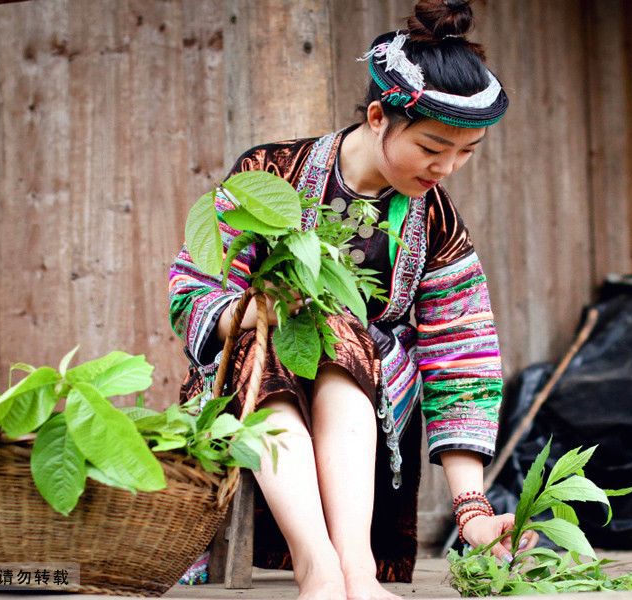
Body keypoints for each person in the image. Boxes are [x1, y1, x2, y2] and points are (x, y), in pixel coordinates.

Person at [169, 1, 536, 598]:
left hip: (367, 394)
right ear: (377, 116)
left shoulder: (437, 222)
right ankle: (319, 564)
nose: (446, 168)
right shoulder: (270, 173)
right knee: (301, 328)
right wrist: (256, 309)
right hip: (253, 372)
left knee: (339, 330)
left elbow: (462, 351)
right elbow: (195, 288)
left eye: (465, 153)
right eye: (433, 147)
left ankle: (356, 568)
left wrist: (471, 509)